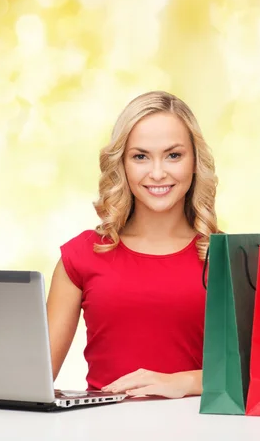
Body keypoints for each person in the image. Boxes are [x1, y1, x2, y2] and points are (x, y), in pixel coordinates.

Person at [46, 91, 219, 399]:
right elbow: (35, 379)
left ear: (195, 162)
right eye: (140, 156)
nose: (157, 173)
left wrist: (187, 382)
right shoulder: (82, 256)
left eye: (173, 155)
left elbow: (258, 375)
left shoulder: (226, 259)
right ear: (122, 165)